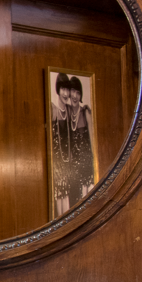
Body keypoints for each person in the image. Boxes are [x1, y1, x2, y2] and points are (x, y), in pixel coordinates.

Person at [50, 72, 96, 216]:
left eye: (77, 92)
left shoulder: (85, 112)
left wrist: (94, 164)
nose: (73, 95)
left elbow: (93, 141)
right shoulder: (64, 111)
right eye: (71, 91)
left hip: (85, 167)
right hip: (71, 168)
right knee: (72, 205)